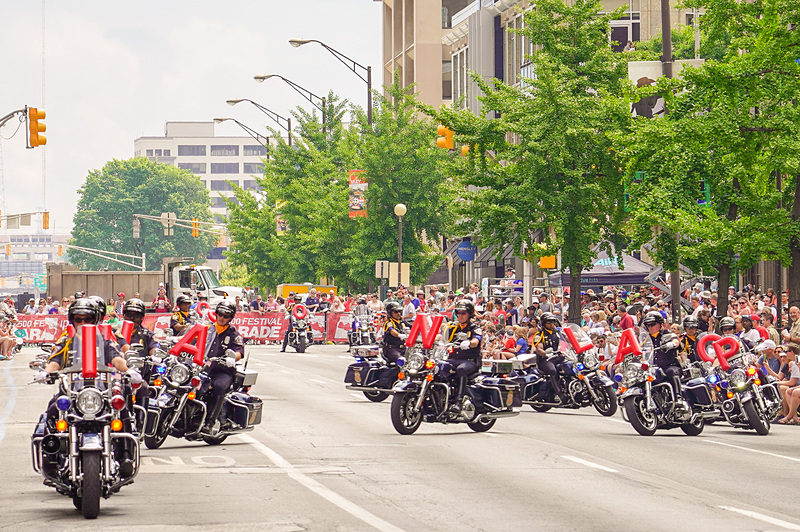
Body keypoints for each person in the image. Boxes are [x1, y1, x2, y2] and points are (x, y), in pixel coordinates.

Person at [202, 300, 245, 434]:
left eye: (226, 316)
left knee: (219, 386)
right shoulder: (206, 329)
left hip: (221, 371)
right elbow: (191, 339)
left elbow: (239, 351)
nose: (222, 318)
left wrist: (232, 358)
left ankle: (209, 423)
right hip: (203, 368)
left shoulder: (233, 334)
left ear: (230, 318)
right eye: (220, 314)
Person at [116, 298, 160, 411]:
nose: (132, 318)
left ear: (141, 318)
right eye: (129, 315)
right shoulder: (115, 332)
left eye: (136, 315)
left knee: (143, 387)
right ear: (124, 316)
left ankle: (141, 419)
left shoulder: (147, 335)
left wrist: (156, 355)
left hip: (138, 376)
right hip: (116, 375)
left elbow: (154, 348)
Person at [442, 300, 482, 413]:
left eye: (463, 313)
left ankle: (458, 402)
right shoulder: (453, 327)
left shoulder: (475, 328)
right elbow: (441, 337)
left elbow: (476, 341)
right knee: (438, 367)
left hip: (470, 361)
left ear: (470, 314)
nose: (460, 315)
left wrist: (469, 343)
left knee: (461, 369)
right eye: (458, 313)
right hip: (453, 359)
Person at [641, 311, 686, 410]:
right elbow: (638, 349)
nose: (651, 327)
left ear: (660, 324)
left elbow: (676, 341)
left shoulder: (667, 335)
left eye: (653, 324)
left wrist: (672, 344)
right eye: (648, 325)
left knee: (672, 372)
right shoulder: (645, 339)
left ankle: (678, 398)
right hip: (652, 368)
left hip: (669, 365)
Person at [532, 312, 567, 403]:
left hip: (557, 357)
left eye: (553, 322)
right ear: (544, 323)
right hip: (545, 360)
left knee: (570, 367)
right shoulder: (539, 335)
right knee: (552, 370)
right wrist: (545, 354)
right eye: (549, 322)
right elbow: (539, 348)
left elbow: (568, 341)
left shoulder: (558, 333)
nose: (552, 324)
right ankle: (560, 394)